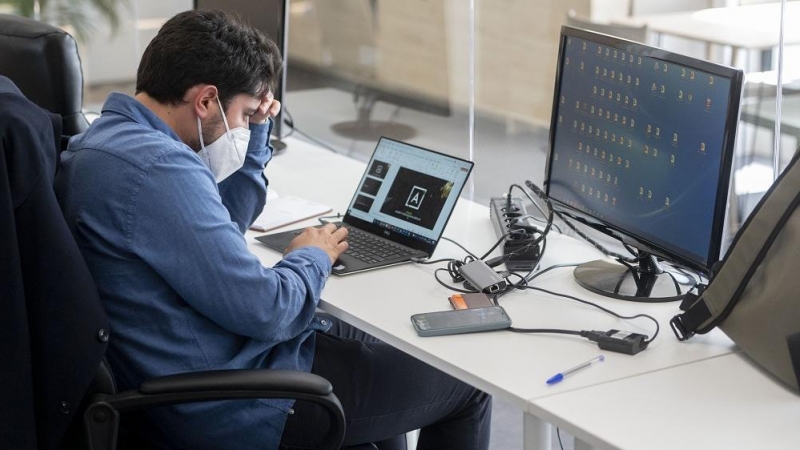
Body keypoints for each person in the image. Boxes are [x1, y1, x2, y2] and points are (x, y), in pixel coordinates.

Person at [56, 10, 491, 450]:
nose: (244, 128)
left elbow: (228, 221)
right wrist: (313, 253)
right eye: (245, 115)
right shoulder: (158, 169)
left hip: (194, 366)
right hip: (235, 400)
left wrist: (257, 130)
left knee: (380, 356)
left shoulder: (104, 143)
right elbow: (268, 310)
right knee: (468, 382)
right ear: (205, 101)